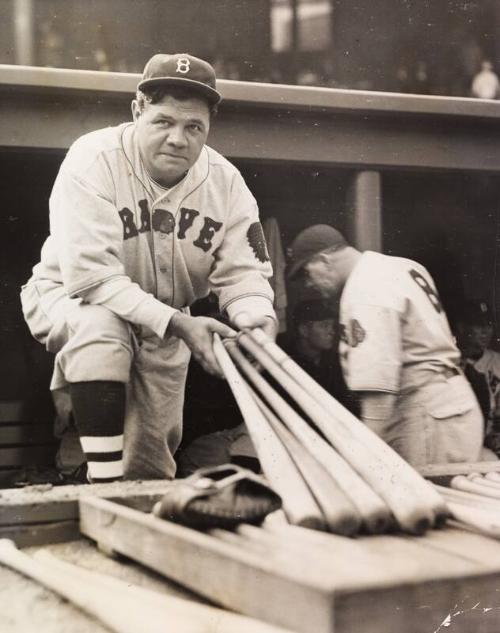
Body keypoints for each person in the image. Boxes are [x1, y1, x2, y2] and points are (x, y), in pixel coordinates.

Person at [20, 53, 276, 483]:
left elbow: (244, 273)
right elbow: (93, 278)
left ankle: (109, 486)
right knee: (100, 328)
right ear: (138, 110)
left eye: (193, 126)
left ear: (208, 127)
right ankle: (102, 488)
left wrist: (256, 321)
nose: (179, 138)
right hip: (71, 294)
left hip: (165, 323)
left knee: (150, 469)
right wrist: (180, 325)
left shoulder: (226, 182)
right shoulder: (93, 158)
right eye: (164, 122)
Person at [287, 224, 483, 467]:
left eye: (307, 272)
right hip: (455, 406)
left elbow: (377, 388)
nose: (308, 284)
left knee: (420, 502)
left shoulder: (364, 286)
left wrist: (369, 456)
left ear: (325, 260)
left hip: (426, 414)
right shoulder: (402, 265)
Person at [285, 299, 359, 415]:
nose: (331, 331)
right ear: (304, 330)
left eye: (332, 325)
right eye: (324, 326)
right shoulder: (286, 362)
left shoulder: (334, 360)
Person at [455, 301, 500, 456]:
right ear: (462, 327)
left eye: (488, 325)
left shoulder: (497, 361)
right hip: (461, 440)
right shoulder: (450, 360)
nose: (485, 331)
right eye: (478, 325)